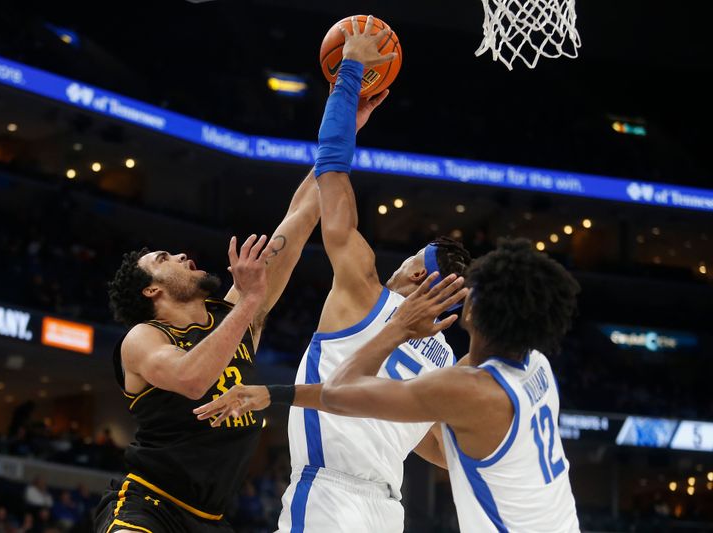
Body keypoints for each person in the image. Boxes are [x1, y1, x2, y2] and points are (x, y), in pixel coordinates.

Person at [193, 16, 471, 533]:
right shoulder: (445, 357)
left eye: (407, 260)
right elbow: (436, 444)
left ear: (413, 275)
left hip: (329, 495)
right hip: (390, 510)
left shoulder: (366, 289)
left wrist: (349, 76)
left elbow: (332, 173)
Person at [94, 158, 325, 532]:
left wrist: (343, 121)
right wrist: (249, 302)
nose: (183, 255)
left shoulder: (231, 316)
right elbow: (192, 380)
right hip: (149, 506)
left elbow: (301, 216)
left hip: (212, 520)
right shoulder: (144, 337)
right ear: (151, 289)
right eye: (164, 259)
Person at [321, 239, 582, 532]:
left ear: (470, 312)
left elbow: (336, 391)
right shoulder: (537, 365)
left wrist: (397, 328)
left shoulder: (472, 391)